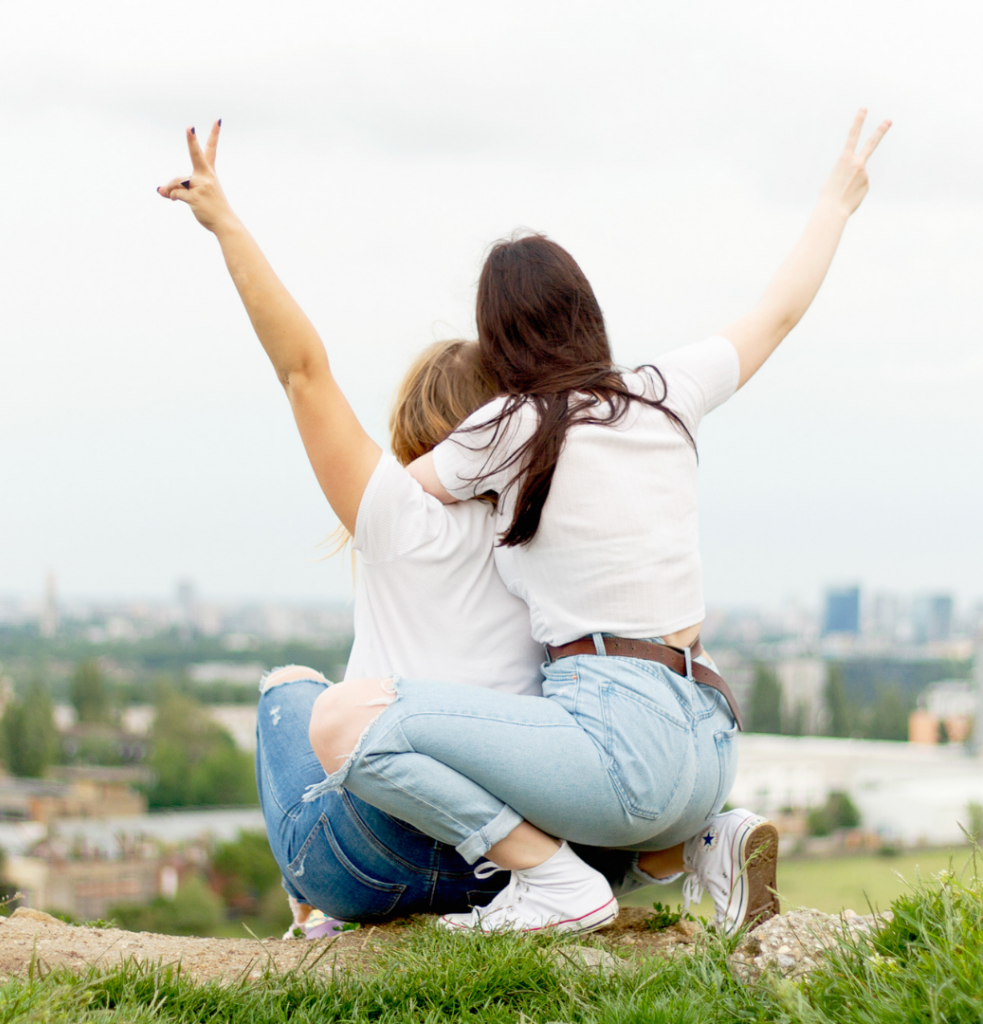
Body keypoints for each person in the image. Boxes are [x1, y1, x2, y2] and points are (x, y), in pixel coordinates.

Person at [306, 110, 891, 935]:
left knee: (342, 720)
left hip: (617, 751)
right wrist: (835, 201)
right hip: (710, 741)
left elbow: (398, 495)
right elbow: (777, 314)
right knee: (623, 773)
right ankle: (704, 842)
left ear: (496, 342)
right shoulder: (663, 389)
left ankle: (551, 885)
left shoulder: (508, 426)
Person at [157, 126, 558, 929]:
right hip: (512, 864)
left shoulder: (398, 516)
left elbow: (302, 369)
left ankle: (314, 910)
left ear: (416, 430)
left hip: (373, 862)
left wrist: (225, 223)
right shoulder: (544, 528)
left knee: (289, 693)